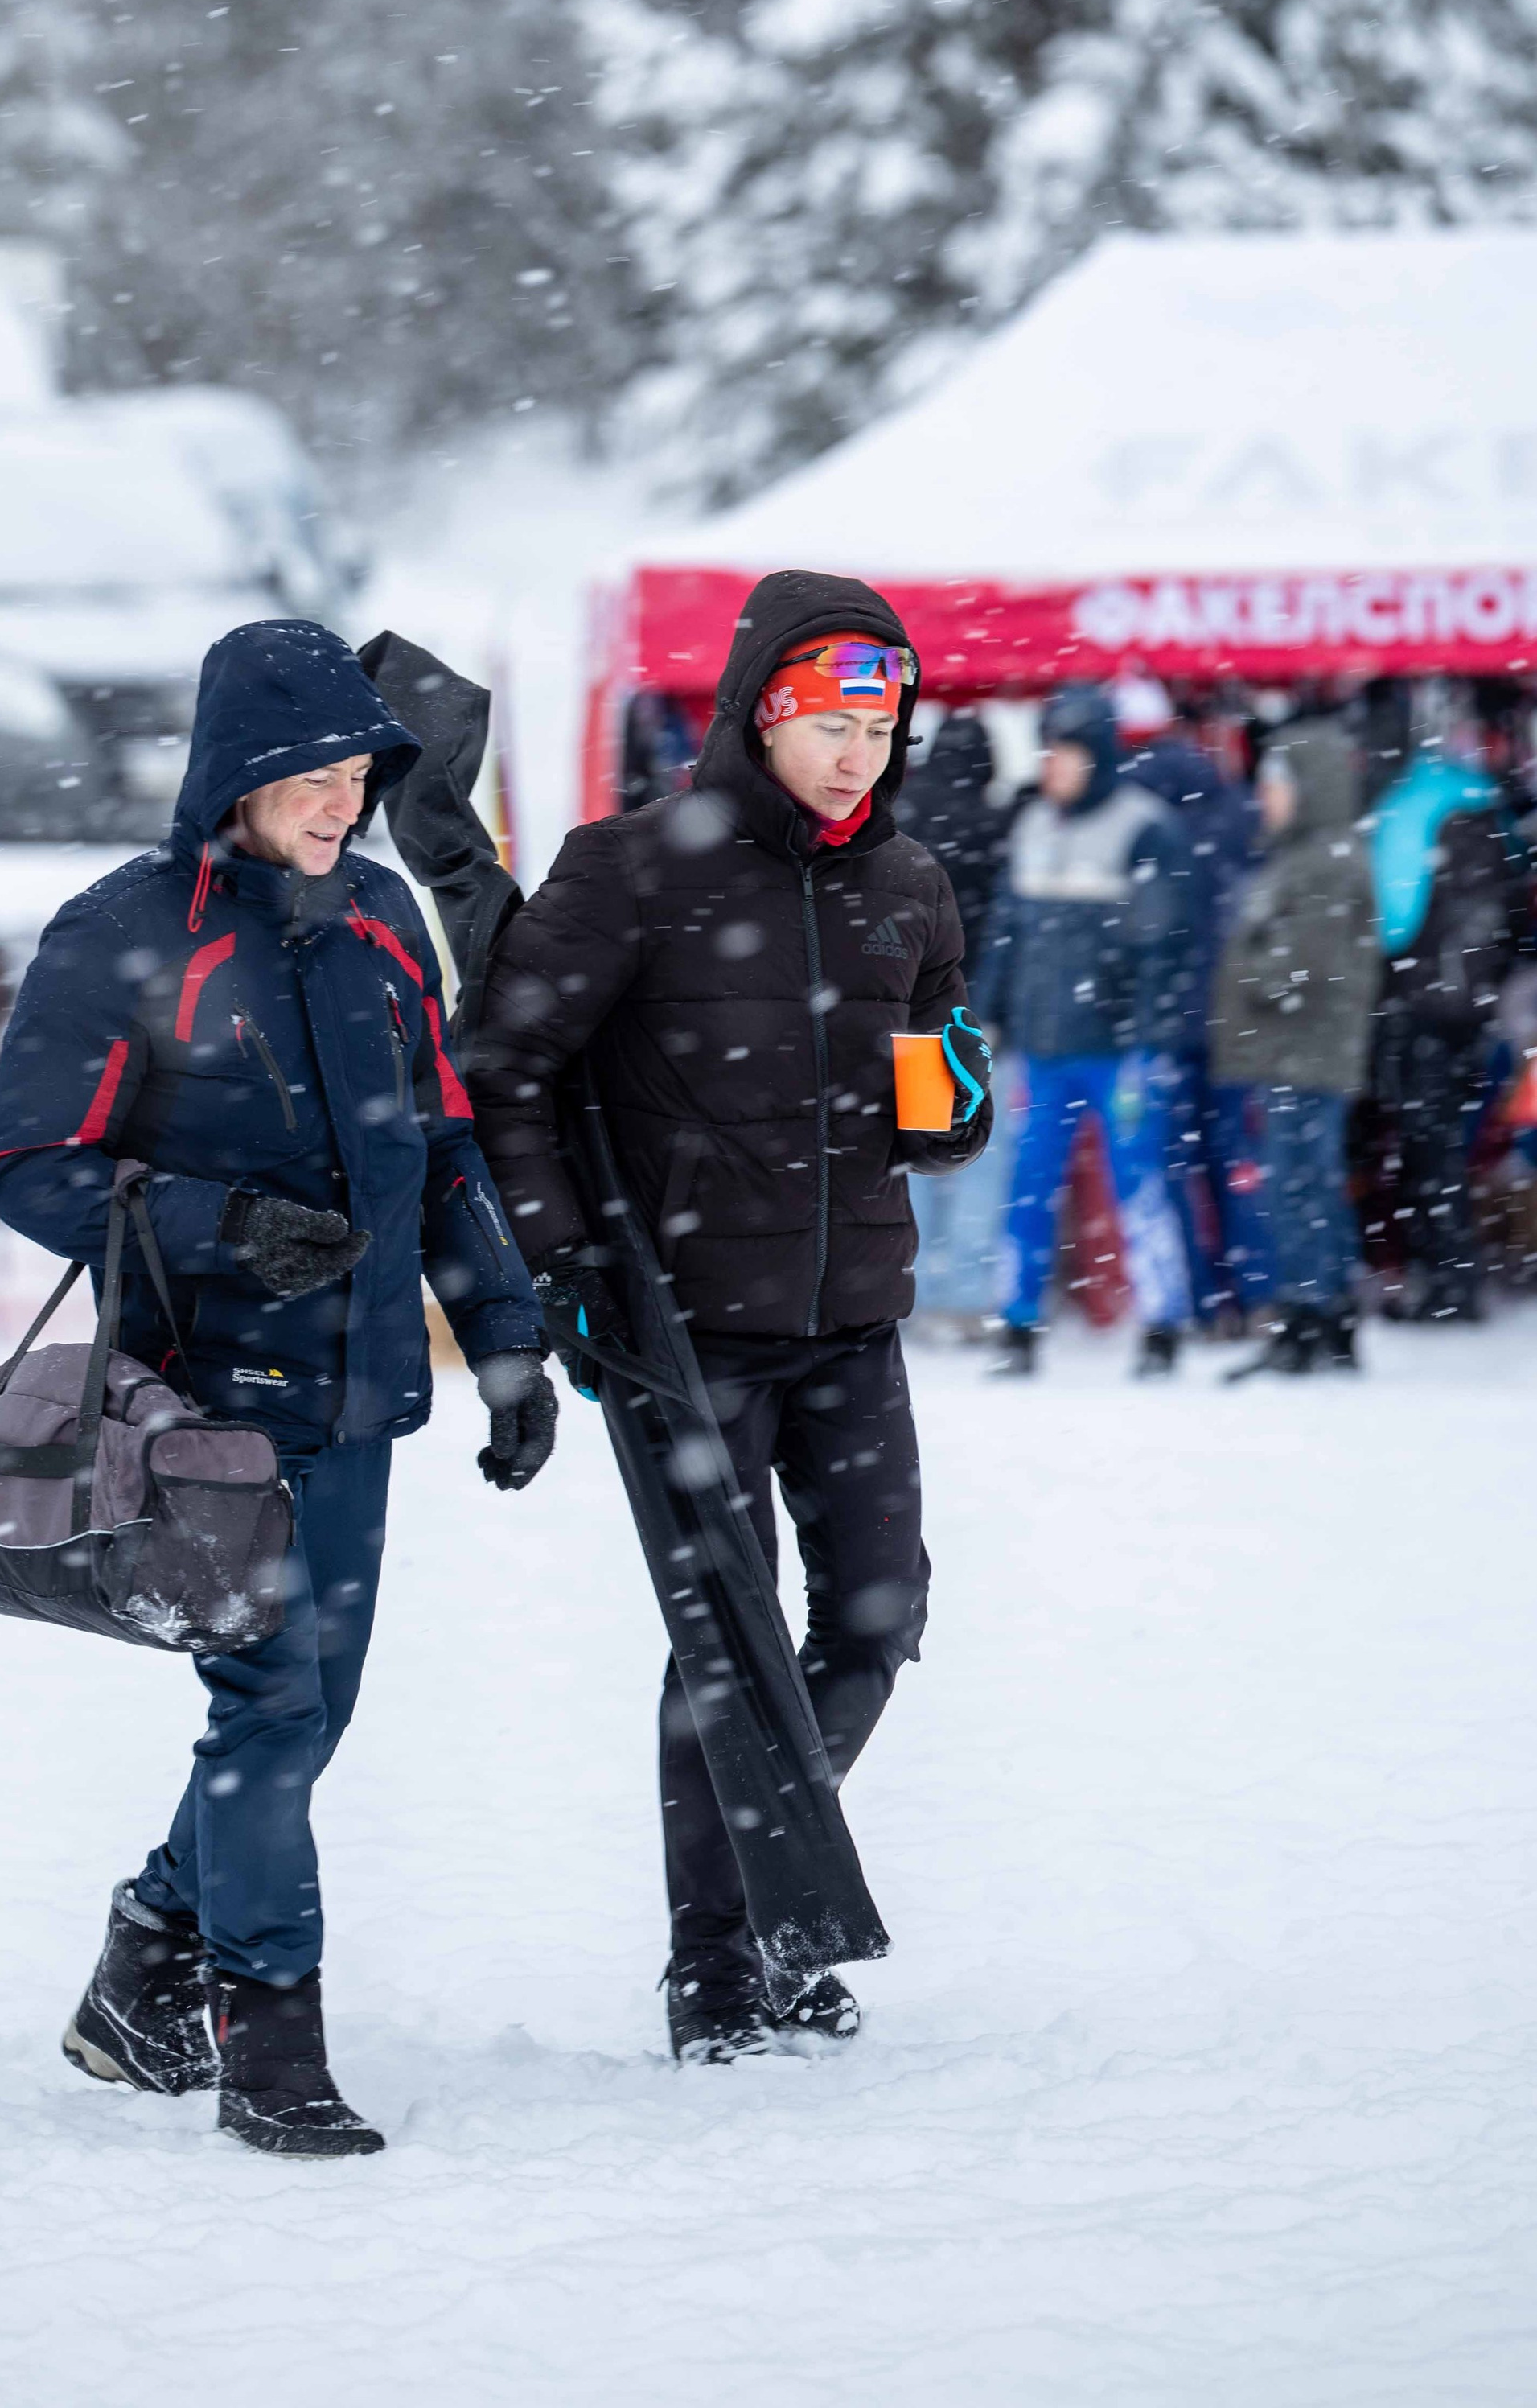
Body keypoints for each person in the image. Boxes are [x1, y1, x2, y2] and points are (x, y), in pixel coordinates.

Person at [0, 620, 550, 2159]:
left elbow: (443, 1147)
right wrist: (215, 1224)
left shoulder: (381, 917)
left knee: (311, 1717)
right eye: (316, 775)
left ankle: (144, 1965)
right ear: (238, 772)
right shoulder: (124, 931)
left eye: (361, 775)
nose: (345, 804)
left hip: (356, 1398)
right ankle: (272, 2047)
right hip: (203, 1410)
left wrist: (505, 1339)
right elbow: (28, 1164)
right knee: (272, 1713)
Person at [471, 572, 993, 2064]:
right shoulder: (634, 866)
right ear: (762, 714)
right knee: (726, 1643)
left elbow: (941, 1084)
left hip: (852, 1311)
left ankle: (774, 1901)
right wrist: (564, 1263)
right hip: (682, 1324)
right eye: (830, 725)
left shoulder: (909, 882)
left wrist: (954, 1100)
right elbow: (506, 1071)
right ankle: (716, 1963)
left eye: (878, 730)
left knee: (877, 1618)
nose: (856, 757)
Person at [976, 685, 1198, 1378]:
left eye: (1066, 754)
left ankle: (1163, 1325)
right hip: (1044, 1049)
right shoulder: (1033, 825)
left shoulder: (1145, 828)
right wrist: (985, 1013)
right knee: (1027, 1187)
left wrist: (1146, 1036)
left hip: (1120, 1053)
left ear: (1097, 757)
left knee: (1141, 1186)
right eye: (1047, 753)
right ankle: (1017, 1326)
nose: (1053, 767)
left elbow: (1166, 950)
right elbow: (1006, 935)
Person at [1209, 721, 1379, 1377]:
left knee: (1299, 1189)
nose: (1266, 798)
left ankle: (1310, 1318)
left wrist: (1242, 970)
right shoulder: (1308, 855)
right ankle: (1326, 1317)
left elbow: (1304, 966)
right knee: (1308, 1186)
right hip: (1298, 1052)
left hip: (1306, 1054)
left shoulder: (1323, 861)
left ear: (1311, 789)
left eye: (1277, 786)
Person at [1117, 689, 1271, 1331]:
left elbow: (1134, 930)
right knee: (1237, 1164)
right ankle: (1257, 1293)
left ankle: (1202, 1301)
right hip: (1233, 1019)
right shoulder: (1238, 811)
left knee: (1172, 1168)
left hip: (1164, 1022)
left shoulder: (1140, 821)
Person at [1359, 738, 1522, 1322]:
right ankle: (1452, 1277)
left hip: (1422, 1006)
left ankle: (1447, 1283)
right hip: (1472, 1009)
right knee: (1447, 1146)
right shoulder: (1488, 813)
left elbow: (1392, 922)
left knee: (1427, 1150)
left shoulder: (1411, 811)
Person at [891, 710, 1010, 1327]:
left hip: (912, 1010)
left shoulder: (904, 817)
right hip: (975, 1013)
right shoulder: (996, 826)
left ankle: (907, 1286)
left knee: (914, 1147)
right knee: (974, 1154)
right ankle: (964, 1295)